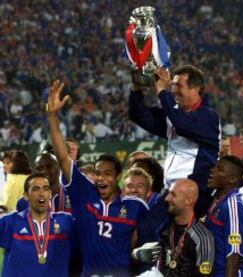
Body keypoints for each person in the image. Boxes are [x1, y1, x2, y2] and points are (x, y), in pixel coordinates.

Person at [48, 80, 149, 276]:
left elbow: (149, 238)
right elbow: (62, 157)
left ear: (118, 177)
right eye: (98, 172)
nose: (101, 178)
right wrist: (52, 115)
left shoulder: (135, 207)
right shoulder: (83, 194)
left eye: (108, 173)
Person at [129, 65, 221, 216]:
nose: (173, 91)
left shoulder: (208, 117)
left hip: (193, 193)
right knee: (146, 229)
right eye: (172, 85)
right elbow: (138, 115)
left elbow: (182, 124)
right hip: (171, 191)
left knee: (150, 229)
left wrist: (162, 91)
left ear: (195, 89)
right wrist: (137, 88)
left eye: (179, 86)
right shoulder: (174, 117)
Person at [134, 179, 215, 276]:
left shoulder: (202, 237)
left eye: (173, 195)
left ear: (188, 201)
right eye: (168, 194)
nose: (167, 198)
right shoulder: (165, 229)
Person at [0, 171, 73, 276]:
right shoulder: (11, 222)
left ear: (50, 194)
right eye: (35, 189)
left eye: (46, 188)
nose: (41, 193)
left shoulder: (65, 221)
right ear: (26, 196)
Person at [206, 156, 243, 276]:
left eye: (220, 169)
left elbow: (234, 253)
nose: (213, 170)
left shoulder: (234, 205)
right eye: (215, 167)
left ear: (232, 179)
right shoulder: (216, 199)